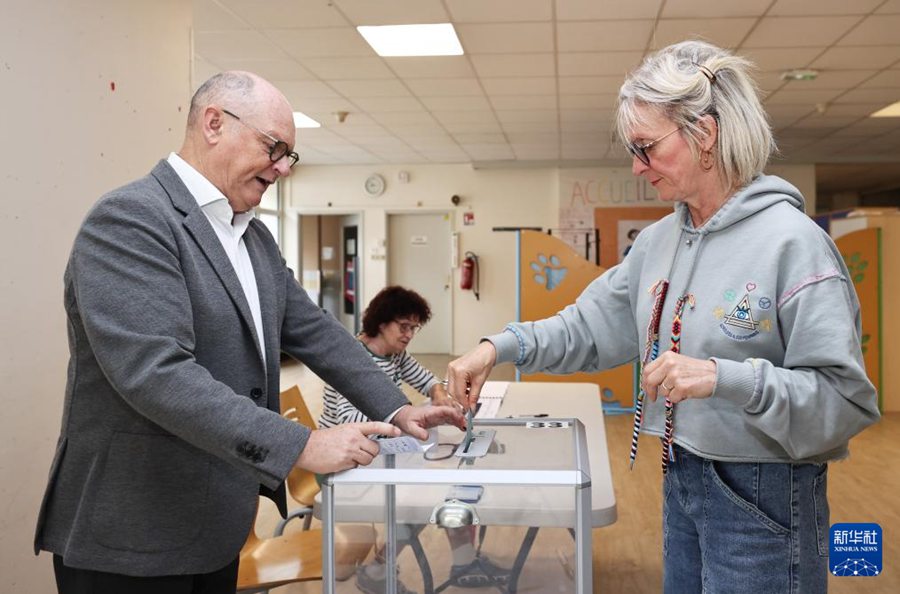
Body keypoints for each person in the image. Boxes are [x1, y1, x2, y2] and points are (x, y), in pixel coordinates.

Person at [446, 40, 880, 593]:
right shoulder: (658, 243)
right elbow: (586, 326)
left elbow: (844, 401)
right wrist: (495, 348)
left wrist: (725, 378)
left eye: (647, 146)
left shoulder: (794, 245)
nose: (636, 165)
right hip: (682, 474)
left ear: (706, 133)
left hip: (765, 491)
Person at [33, 71, 463, 594]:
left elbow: (316, 333)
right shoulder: (130, 220)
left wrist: (397, 408)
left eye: (290, 155)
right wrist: (302, 444)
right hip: (131, 533)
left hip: (216, 524)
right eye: (274, 147)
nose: (283, 167)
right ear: (214, 123)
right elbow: (156, 374)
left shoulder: (252, 235)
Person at [319, 286, 510, 594]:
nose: (409, 334)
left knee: (447, 481)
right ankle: (380, 572)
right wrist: (401, 418)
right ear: (381, 323)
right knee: (423, 497)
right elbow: (349, 423)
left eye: (414, 328)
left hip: (377, 452)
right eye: (403, 326)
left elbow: (427, 381)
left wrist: (440, 396)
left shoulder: (395, 354)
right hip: (343, 461)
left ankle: (458, 562)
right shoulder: (352, 358)